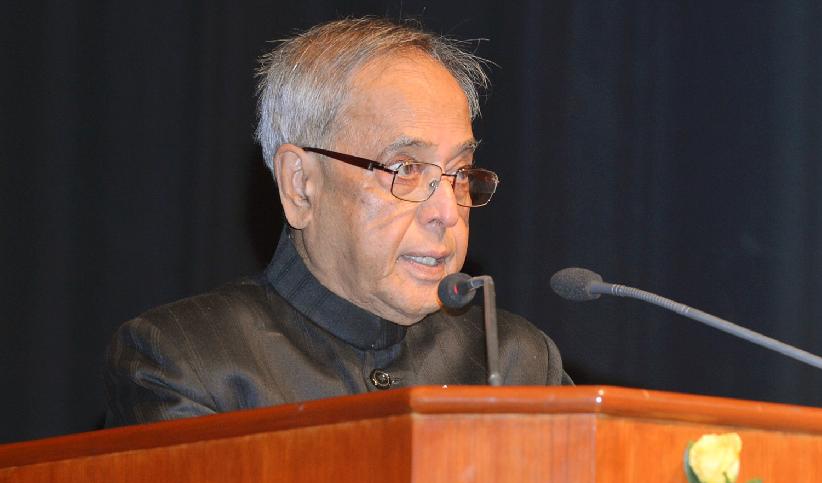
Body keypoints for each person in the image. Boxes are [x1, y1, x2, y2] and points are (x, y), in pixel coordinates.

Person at [103, 17, 568, 427]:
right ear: (300, 184)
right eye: (405, 169)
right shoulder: (188, 363)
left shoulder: (516, 362)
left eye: (460, 173)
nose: (446, 212)